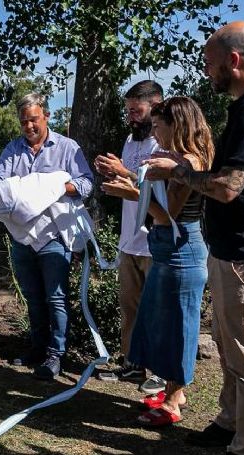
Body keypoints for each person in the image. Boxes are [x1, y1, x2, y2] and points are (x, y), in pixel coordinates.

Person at [145, 21, 244, 455]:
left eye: (210, 64)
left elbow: (227, 186)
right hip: (235, 251)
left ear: (234, 61)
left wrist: (178, 170)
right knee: (227, 345)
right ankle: (227, 420)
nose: (207, 73)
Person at [103, 97, 214, 427]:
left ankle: (172, 402)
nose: (154, 132)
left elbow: (169, 216)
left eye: (158, 126)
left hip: (182, 250)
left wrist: (133, 194)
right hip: (167, 248)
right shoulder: (175, 158)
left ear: (175, 125)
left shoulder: (190, 162)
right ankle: (172, 392)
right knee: (162, 326)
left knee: (179, 327)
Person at [0, 93, 93, 380]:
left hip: (54, 236)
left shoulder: (67, 147)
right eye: (24, 122)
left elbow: (86, 183)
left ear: (46, 116)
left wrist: (57, 187)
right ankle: (37, 348)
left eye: (33, 119)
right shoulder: (13, 149)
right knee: (33, 297)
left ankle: (55, 355)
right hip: (22, 237)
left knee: (56, 297)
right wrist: (18, 190)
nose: (29, 126)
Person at [95, 80, 168, 395]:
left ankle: (162, 373)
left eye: (136, 111)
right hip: (129, 240)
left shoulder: (163, 142)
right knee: (131, 308)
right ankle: (132, 363)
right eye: (128, 111)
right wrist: (110, 174)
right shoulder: (129, 140)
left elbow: (155, 188)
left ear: (155, 106)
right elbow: (129, 185)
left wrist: (123, 172)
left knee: (158, 311)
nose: (130, 117)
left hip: (154, 242)